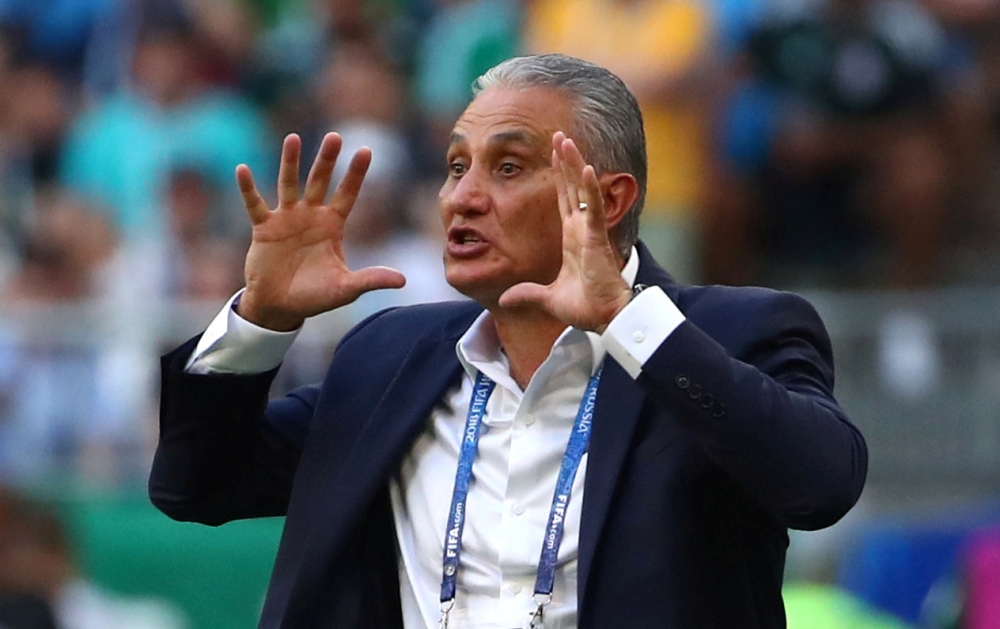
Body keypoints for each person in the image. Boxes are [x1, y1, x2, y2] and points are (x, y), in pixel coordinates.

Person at [149, 53, 868, 628]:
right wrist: (261, 318)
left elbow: (820, 485)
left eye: (509, 167)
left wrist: (630, 322)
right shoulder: (388, 356)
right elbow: (196, 484)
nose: (462, 197)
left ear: (607, 199)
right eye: (456, 165)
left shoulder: (733, 334)